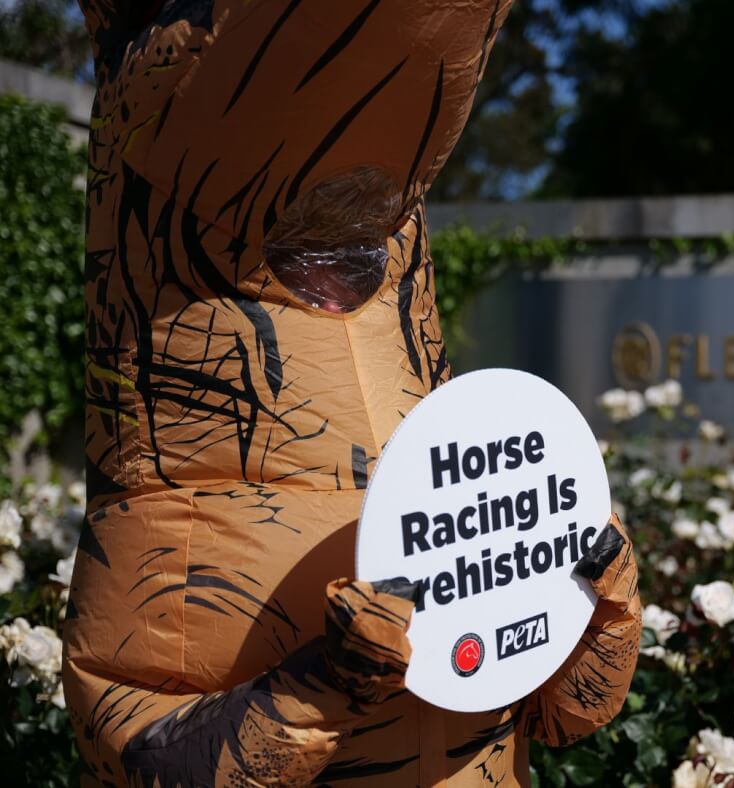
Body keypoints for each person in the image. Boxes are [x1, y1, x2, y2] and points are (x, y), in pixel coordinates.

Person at [64, 2, 641, 785]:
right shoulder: (163, 523)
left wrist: (598, 618)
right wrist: (321, 692)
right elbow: (140, 754)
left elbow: (554, 717)